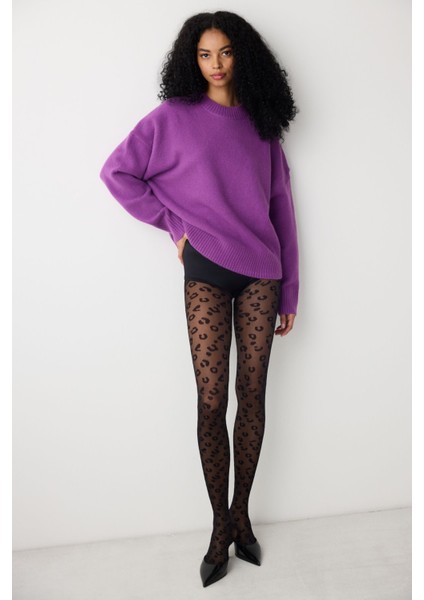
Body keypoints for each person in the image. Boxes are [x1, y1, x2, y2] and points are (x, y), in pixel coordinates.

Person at [99, 10, 300, 588]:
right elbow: (117, 173)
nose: (216, 64)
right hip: (206, 267)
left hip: (262, 272)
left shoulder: (262, 124)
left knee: (252, 396)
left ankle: (242, 517)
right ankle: (218, 528)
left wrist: (291, 289)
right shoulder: (171, 117)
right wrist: (174, 225)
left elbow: (282, 208)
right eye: (205, 54)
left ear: (243, 56)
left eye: (226, 52)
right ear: (193, 59)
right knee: (211, 402)